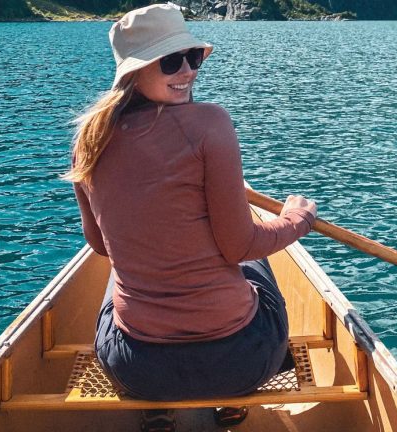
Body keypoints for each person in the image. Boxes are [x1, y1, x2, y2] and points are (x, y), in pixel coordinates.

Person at [64, 4, 317, 432]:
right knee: (256, 259)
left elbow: (102, 246)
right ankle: (232, 402)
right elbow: (241, 246)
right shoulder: (211, 123)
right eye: (170, 61)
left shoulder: (88, 142)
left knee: (116, 273)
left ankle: (156, 408)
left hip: (136, 368)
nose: (187, 72)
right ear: (134, 72)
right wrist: (297, 219)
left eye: (192, 57)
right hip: (240, 361)